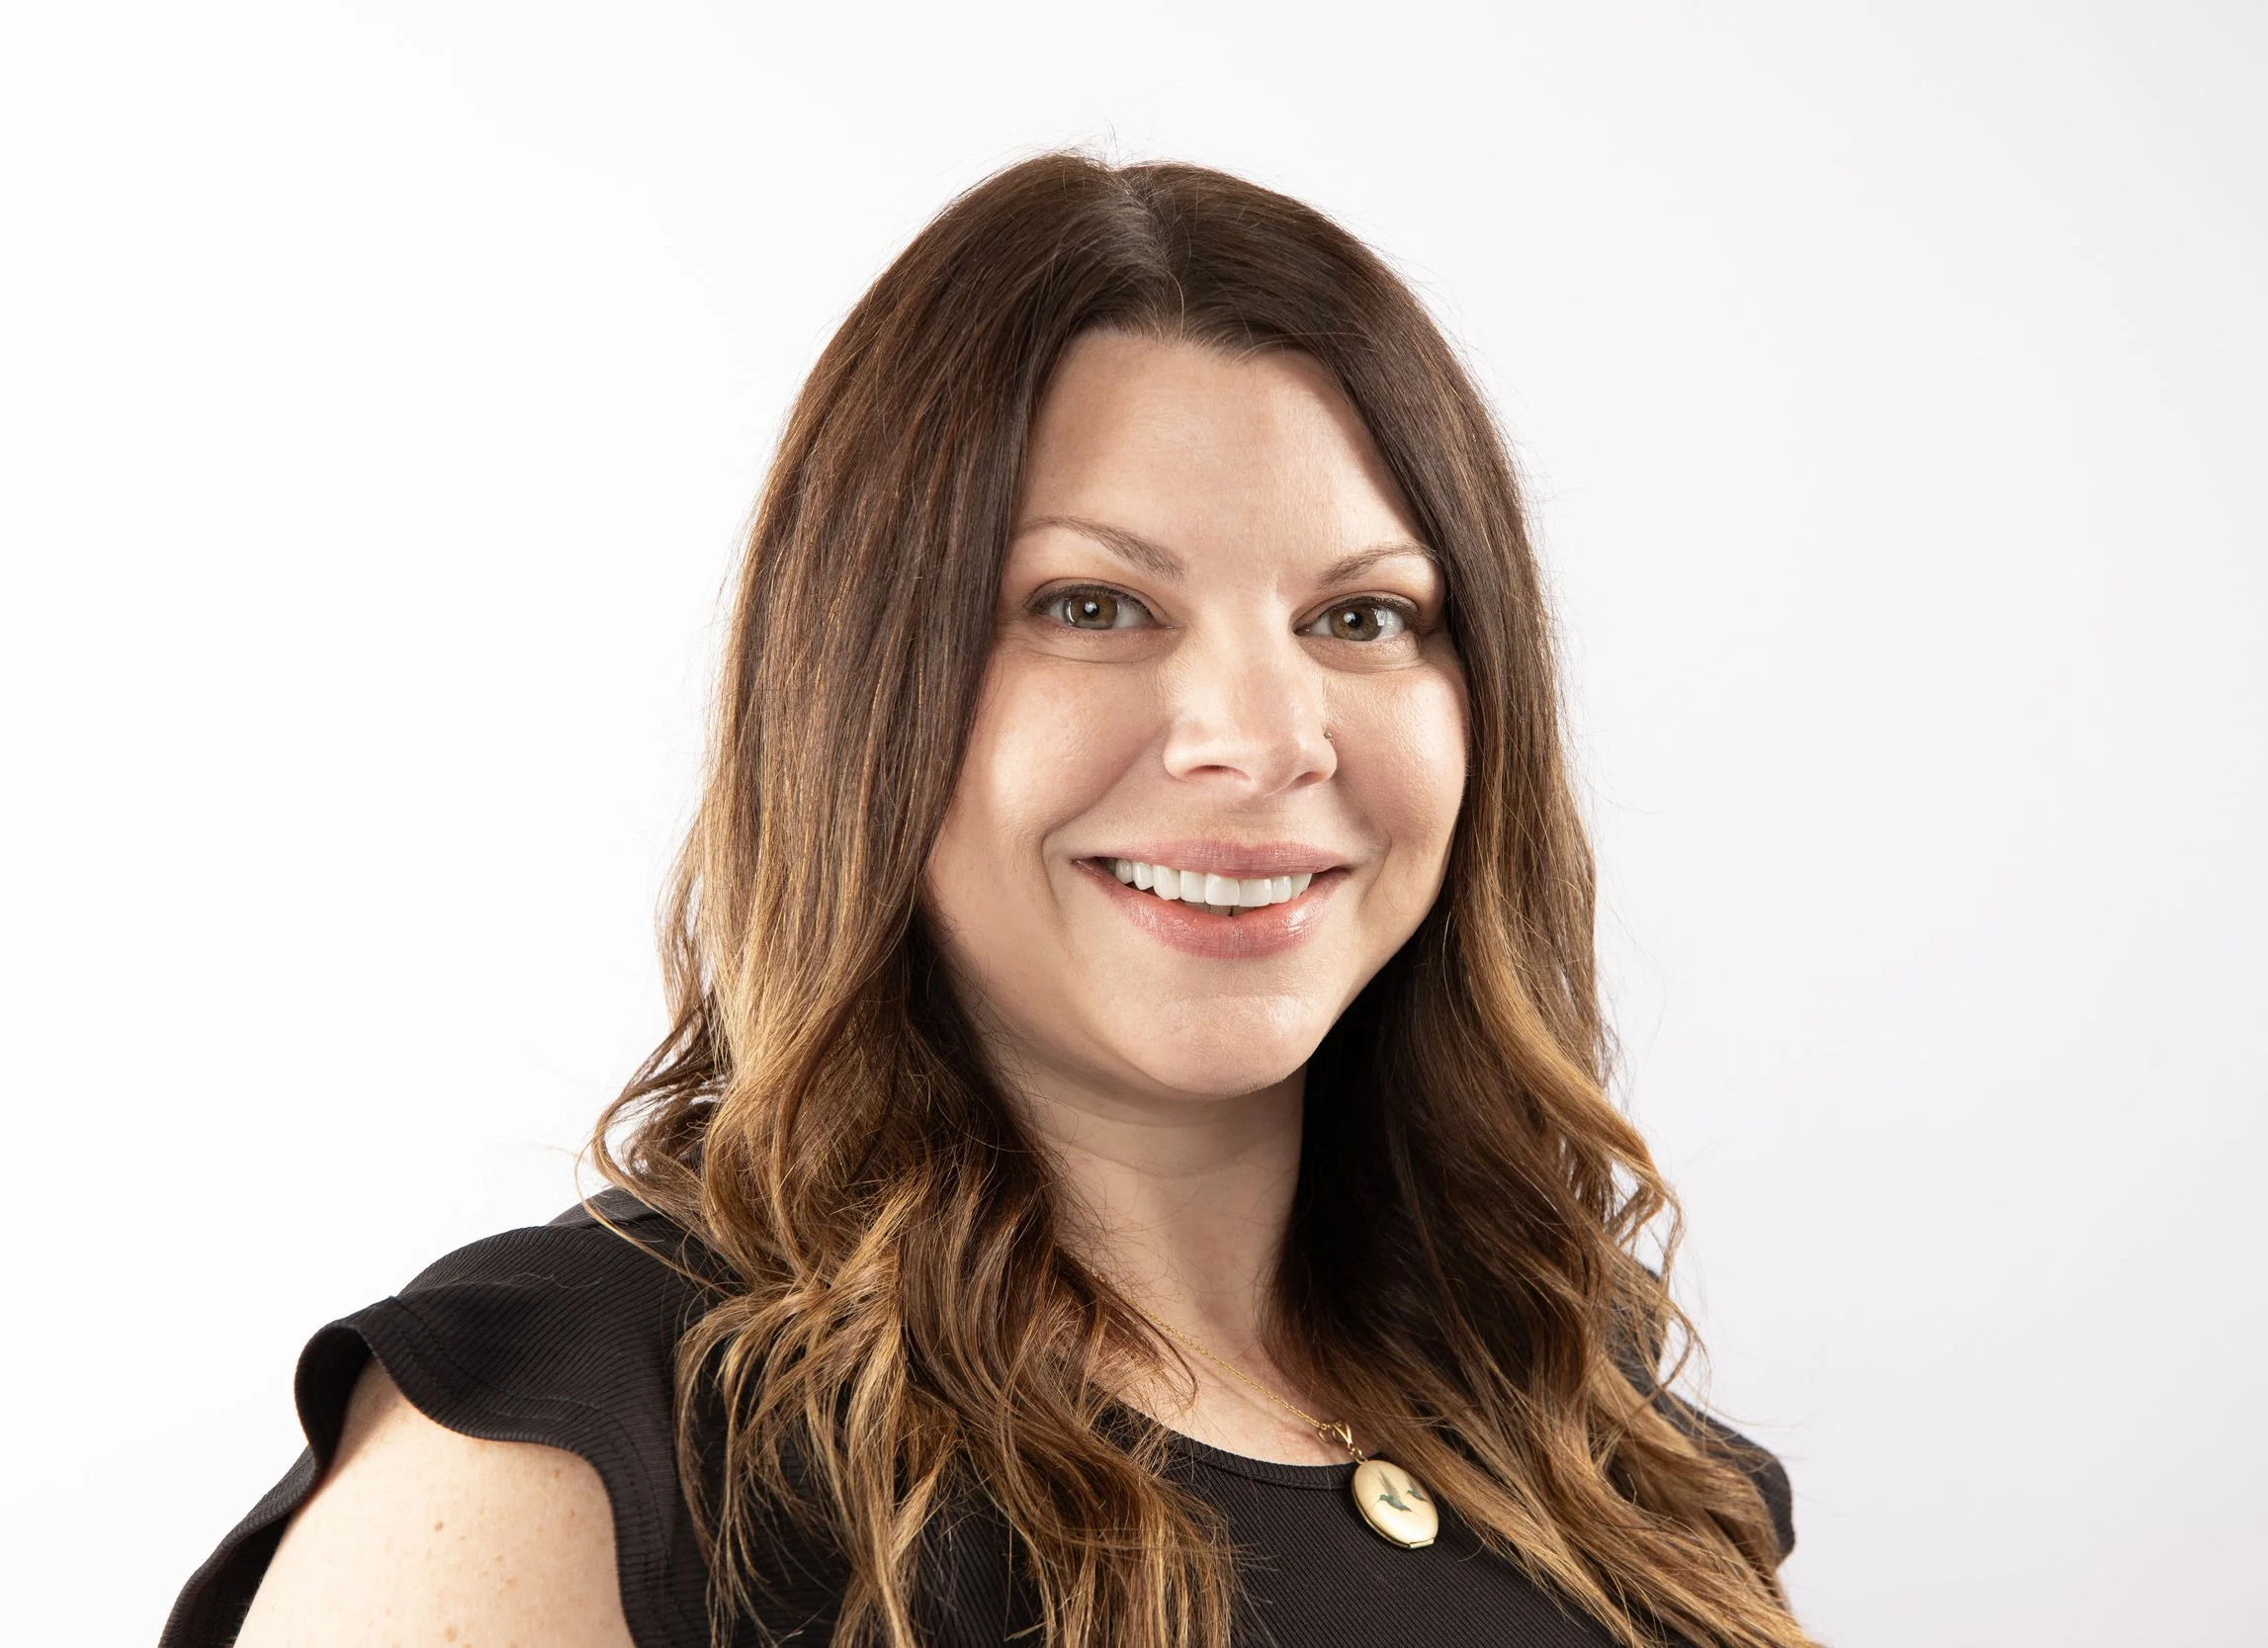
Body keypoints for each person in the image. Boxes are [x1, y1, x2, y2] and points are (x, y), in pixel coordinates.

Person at [164, 153, 1809, 1648]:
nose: (1262, 736)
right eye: (1093, 604)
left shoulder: (1600, 1443)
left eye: (1364, 618)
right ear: (861, 690)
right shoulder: (571, 1455)